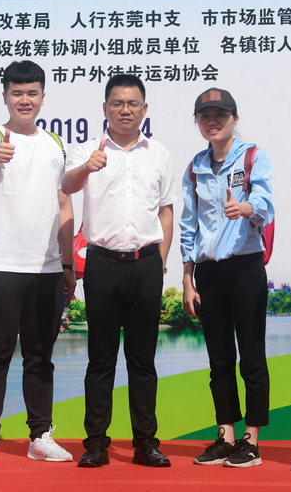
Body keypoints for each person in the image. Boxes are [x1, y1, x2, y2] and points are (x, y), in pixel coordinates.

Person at [61, 74, 177, 468]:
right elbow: (67, 185)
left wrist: (161, 260)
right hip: (102, 264)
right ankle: (96, 442)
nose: (125, 110)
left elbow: (166, 210)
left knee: (143, 361)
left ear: (144, 109)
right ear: (105, 108)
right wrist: (86, 168)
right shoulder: (87, 150)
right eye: (117, 103)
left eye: (132, 104)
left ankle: (146, 442)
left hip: (146, 264)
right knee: (101, 359)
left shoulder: (158, 153)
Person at [0, 60, 76, 464]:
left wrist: (68, 264)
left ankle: (40, 436)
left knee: (40, 357)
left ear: (43, 97)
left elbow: (64, 205)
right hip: (0, 265)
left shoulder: (55, 145)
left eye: (32, 93)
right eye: (17, 93)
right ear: (5, 96)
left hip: (46, 269)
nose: (24, 100)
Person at [180, 88, 275, 468]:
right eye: (205, 116)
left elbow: (266, 205)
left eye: (220, 115)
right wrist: (188, 280)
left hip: (245, 266)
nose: (212, 122)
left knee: (251, 356)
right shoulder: (195, 166)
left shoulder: (253, 156)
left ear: (235, 118)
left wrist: (246, 207)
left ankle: (251, 440)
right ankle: (226, 436)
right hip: (209, 271)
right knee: (219, 359)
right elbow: (189, 226)